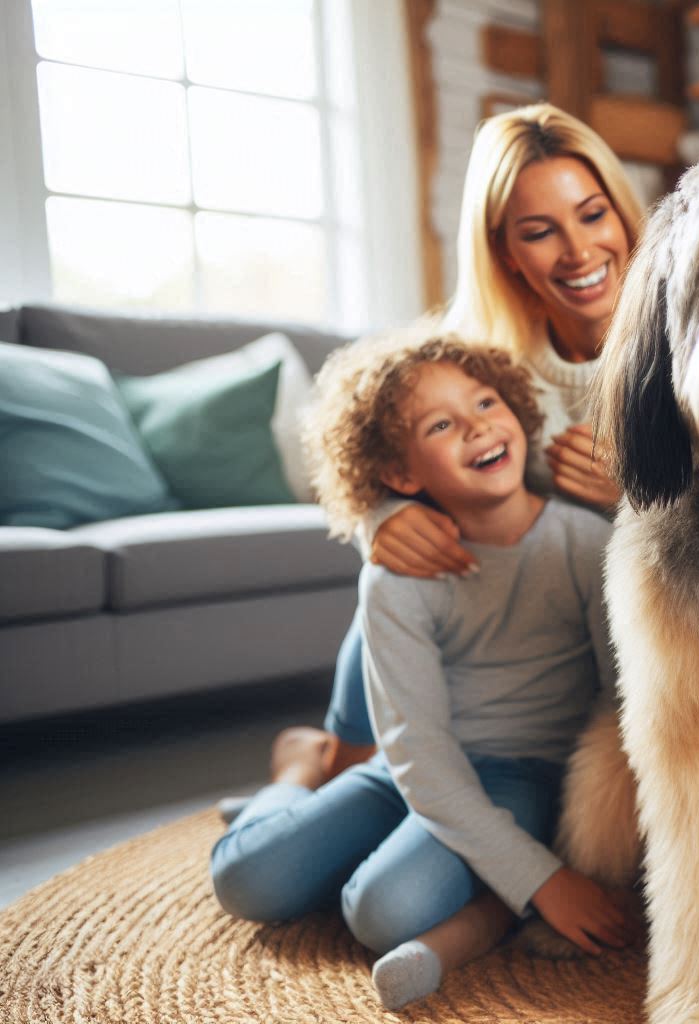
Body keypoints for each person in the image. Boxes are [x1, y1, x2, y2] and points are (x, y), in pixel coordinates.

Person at [208, 333, 633, 1009]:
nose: (477, 426)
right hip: (408, 769)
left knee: (384, 910)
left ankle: (363, 822)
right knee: (246, 880)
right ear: (402, 477)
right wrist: (543, 882)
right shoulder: (394, 575)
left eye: (486, 402)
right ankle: (297, 768)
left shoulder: (586, 544)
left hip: (528, 772)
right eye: (441, 424)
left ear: (517, 414)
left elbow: (623, 707)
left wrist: (562, 864)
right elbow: (416, 752)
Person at [267, 102, 647, 784]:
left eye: (593, 215)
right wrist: (384, 519)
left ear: (622, 214)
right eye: (540, 232)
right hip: (507, 602)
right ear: (506, 250)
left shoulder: (689, 344)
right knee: (396, 573)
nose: (580, 251)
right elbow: (385, 456)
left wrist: (635, 494)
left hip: (611, 612)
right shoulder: (483, 359)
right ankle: (327, 763)